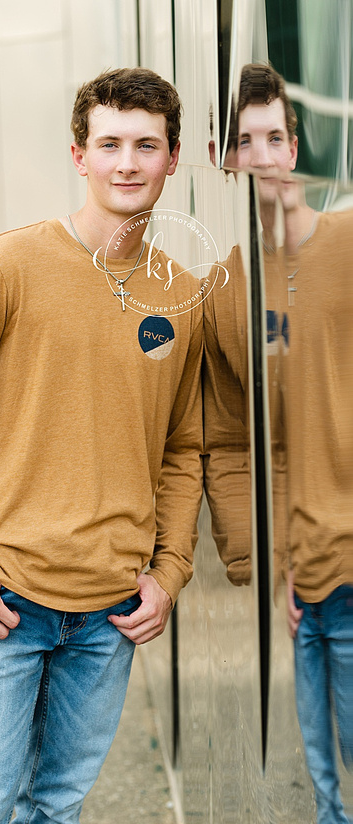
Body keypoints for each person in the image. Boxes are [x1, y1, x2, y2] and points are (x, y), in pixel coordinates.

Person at [0, 67, 204, 823]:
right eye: (110, 144)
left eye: (146, 145)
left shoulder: (182, 296)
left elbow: (183, 449)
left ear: (175, 157)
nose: (128, 163)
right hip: (0, 598)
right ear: (79, 156)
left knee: (57, 808)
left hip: (110, 612)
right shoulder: (3, 268)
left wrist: (169, 569)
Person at [234, 62, 353, 824]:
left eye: (277, 136)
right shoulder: (242, 281)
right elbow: (270, 444)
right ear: (231, 160)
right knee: (324, 784)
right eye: (249, 141)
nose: (268, 154)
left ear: (296, 144)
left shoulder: (348, 242)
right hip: (305, 576)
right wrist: (279, 566)